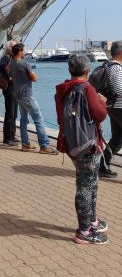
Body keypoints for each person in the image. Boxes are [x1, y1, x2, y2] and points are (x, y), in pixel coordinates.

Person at [55, 54, 108, 244]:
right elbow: (100, 115)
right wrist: (102, 101)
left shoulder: (62, 90)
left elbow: (60, 118)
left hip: (72, 143)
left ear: (70, 70)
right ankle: (84, 231)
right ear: (87, 71)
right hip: (89, 145)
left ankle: (92, 221)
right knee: (86, 186)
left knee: (89, 182)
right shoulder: (87, 88)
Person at [9, 43, 57, 154]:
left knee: (23, 120)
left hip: (18, 96)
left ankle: (25, 144)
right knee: (38, 119)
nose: (25, 52)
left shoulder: (11, 64)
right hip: (27, 96)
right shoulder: (24, 63)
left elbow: (8, 74)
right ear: (19, 51)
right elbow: (34, 78)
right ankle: (44, 146)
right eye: (24, 50)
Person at [99, 41, 122, 178]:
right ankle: (102, 166)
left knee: (117, 139)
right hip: (119, 107)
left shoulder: (107, 65)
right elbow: (119, 89)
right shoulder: (117, 68)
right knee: (117, 139)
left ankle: (102, 166)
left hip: (113, 108)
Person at [0, 40, 19, 146]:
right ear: (8, 48)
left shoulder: (13, 58)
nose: (16, 48)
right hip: (9, 88)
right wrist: (8, 77)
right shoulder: (6, 57)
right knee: (10, 113)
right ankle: (7, 138)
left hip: (15, 88)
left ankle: (12, 135)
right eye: (14, 46)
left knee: (14, 113)